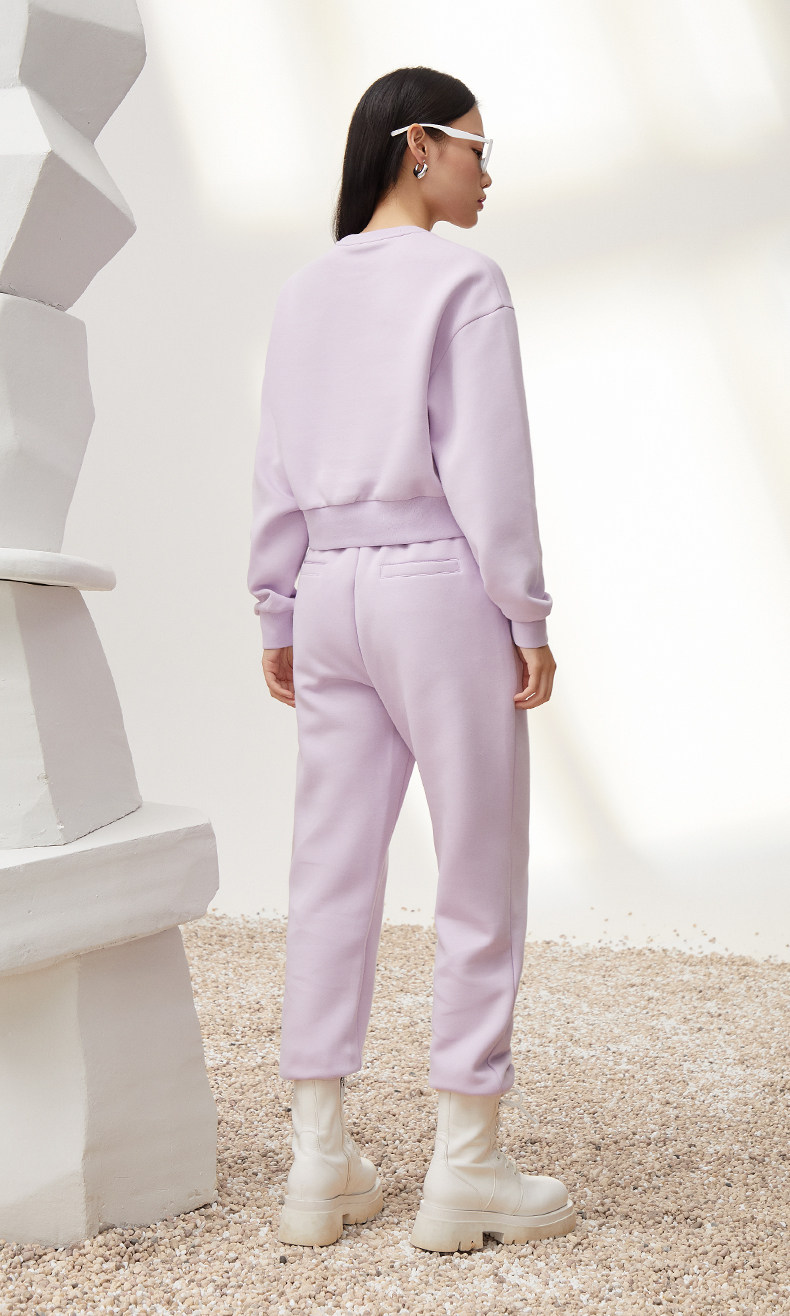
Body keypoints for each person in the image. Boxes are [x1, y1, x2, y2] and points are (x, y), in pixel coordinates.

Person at [247, 65, 576, 1253]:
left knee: (329, 868)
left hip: (328, 588)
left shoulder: (303, 291)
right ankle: (466, 1164)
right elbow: (488, 463)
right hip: (436, 584)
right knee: (477, 867)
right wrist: (524, 613)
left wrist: (276, 605)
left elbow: (274, 459)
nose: (488, 174)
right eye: (478, 149)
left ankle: (317, 1161)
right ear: (418, 145)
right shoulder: (464, 281)